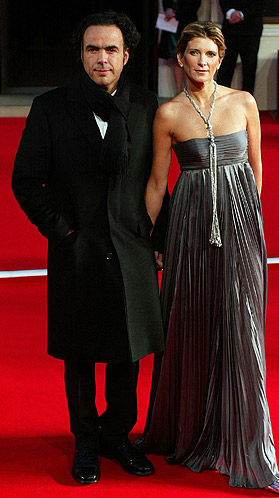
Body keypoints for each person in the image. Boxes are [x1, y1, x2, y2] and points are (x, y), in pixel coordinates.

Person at [11, 11, 167, 485]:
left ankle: (118, 436)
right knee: (79, 355)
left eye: (111, 50)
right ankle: (84, 443)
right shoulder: (51, 107)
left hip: (132, 248)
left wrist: (155, 239)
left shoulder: (147, 105)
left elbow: (159, 180)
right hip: (75, 250)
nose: (102, 58)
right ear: (80, 54)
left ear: (127, 54)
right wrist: (62, 232)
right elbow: (26, 180)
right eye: (93, 49)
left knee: (128, 350)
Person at [138, 21, 279, 494]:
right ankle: (188, 428)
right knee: (192, 321)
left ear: (219, 59)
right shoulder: (167, 114)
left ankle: (246, 439)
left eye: (209, 54)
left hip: (242, 230)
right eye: (193, 53)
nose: (201, 62)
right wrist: (149, 242)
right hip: (188, 229)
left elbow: (257, 173)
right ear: (179, 59)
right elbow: (158, 184)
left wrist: (249, 228)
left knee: (242, 326)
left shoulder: (244, 103)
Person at [217, 1, 265, 95]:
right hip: (230, 29)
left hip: (251, 30)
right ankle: (220, 104)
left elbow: (260, 4)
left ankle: (246, 105)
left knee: (249, 69)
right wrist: (231, 12)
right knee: (225, 69)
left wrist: (241, 14)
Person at [159, 1, 202, 93]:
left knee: (192, 56)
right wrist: (167, 8)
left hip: (188, 21)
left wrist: (177, 13)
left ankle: (192, 92)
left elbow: (195, 4)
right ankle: (178, 92)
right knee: (176, 57)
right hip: (173, 24)